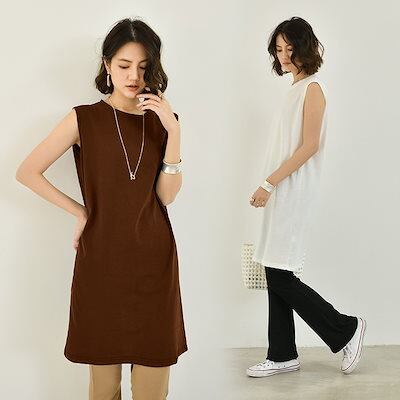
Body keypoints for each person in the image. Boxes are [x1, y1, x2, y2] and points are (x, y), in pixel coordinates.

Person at [15, 17, 187, 399]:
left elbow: (166, 196)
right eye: (124, 65)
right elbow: (27, 171)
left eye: (143, 67)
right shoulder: (84, 118)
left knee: (153, 388)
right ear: (107, 65)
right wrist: (80, 212)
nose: (134, 76)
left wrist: (173, 131)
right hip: (102, 264)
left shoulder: (164, 122)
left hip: (155, 264)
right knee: (104, 389)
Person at [246, 17, 366, 378]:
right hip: (282, 190)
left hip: (292, 192)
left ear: (306, 47)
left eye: (290, 48)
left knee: (282, 275)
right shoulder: (294, 89)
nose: (284, 56)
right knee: (274, 270)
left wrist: (268, 183)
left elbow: (309, 145)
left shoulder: (313, 88)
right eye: (278, 49)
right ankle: (282, 353)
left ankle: (346, 328)